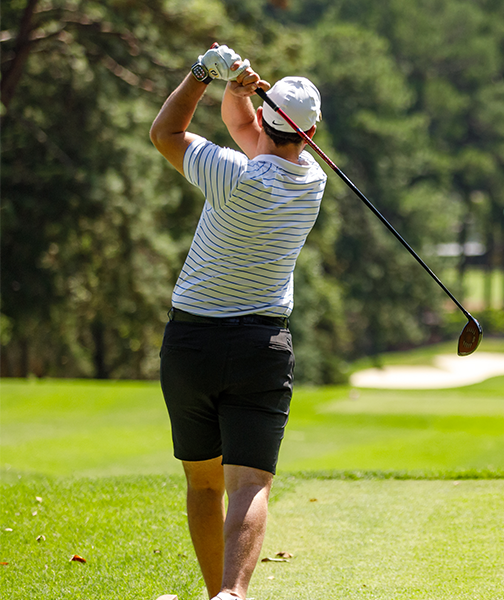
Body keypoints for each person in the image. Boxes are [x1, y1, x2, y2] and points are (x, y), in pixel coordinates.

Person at [149, 44, 327, 600]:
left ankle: (213, 593)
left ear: (270, 117)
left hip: (192, 344)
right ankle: (231, 595)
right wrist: (240, 92)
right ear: (311, 131)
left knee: (204, 483)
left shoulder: (229, 173)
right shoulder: (312, 184)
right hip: (261, 347)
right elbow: (254, 134)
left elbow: (165, 134)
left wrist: (206, 74)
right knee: (250, 482)